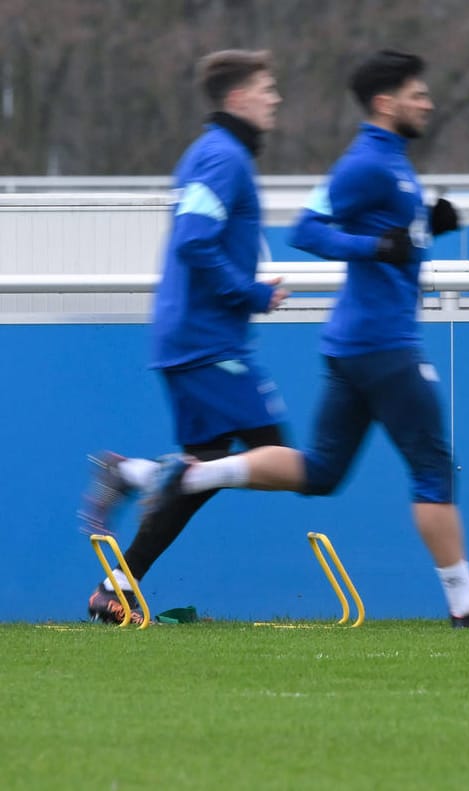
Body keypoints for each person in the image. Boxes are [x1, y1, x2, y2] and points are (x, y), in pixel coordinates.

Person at [138, 49, 469, 628]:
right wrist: (373, 248)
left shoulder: (392, 162)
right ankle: (466, 601)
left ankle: (195, 473)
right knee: (432, 467)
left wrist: (427, 224)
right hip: (381, 343)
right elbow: (308, 229)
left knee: (322, 471)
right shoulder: (365, 162)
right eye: (416, 93)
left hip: (356, 344)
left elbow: (390, 234)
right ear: (385, 102)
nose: (428, 102)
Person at [79, 50, 289, 625]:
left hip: (190, 340)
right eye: (266, 89)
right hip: (206, 345)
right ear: (238, 97)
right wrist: (250, 294)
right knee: (290, 461)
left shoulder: (210, 153)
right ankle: (134, 473)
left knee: (206, 471)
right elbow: (195, 240)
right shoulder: (224, 157)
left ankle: (114, 588)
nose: (275, 99)